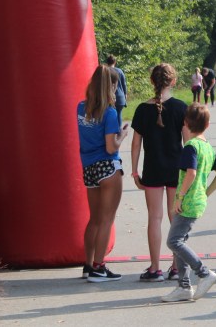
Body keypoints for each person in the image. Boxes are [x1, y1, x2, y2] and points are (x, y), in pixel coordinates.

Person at [162, 103, 216, 302]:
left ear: (186, 123)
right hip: (198, 200)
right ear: (207, 125)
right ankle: (183, 286)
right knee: (179, 242)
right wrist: (206, 193)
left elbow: (191, 172)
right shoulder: (207, 147)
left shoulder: (190, 147)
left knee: (173, 241)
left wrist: (179, 196)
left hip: (188, 202)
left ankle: (203, 273)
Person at [131, 63, 187, 282]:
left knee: (154, 218)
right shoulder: (181, 107)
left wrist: (135, 172)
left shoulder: (142, 110)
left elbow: (136, 144)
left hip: (152, 169)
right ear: (173, 81)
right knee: (176, 218)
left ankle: (155, 268)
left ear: (152, 81)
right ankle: (175, 266)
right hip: (176, 170)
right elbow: (188, 142)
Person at [78, 63, 129, 282]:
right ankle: (100, 267)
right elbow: (111, 146)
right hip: (107, 167)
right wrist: (123, 134)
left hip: (88, 168)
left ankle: (88, 265)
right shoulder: (108, 113)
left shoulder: (81, 107)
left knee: (95, 219)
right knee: (108, 219)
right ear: (111, 86)